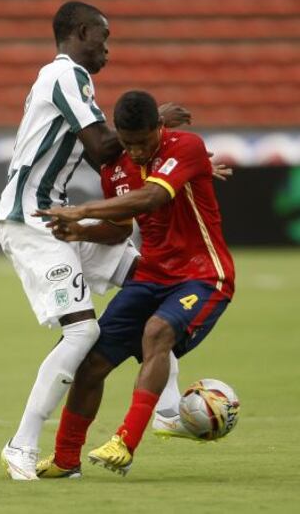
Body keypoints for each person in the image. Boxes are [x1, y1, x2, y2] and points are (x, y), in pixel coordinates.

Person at [0, 1, 191, 481]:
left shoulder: (67, 81)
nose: (108, 47)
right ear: (82, 32)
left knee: (149, 281)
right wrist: (153, 121)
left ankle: (168, 410)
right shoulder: (66, 75)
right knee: (83, 331)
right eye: (103, 36)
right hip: (32, 218)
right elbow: (104, 146)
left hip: (60, 214)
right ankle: (21, 443)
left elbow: (101, 153)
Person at [33, 90, 235, 477]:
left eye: (143, 143)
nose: (136, 152)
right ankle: (65, 460)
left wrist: (83, 207)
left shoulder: (186, 146)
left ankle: (125, 441)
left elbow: (151, 198)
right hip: (151, 276)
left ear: (159, 128)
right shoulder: (116, 167)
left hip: (204, 275)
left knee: (157, 332)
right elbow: (120, 229)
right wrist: (80, 230)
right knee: (91, 362)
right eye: (128, 144)